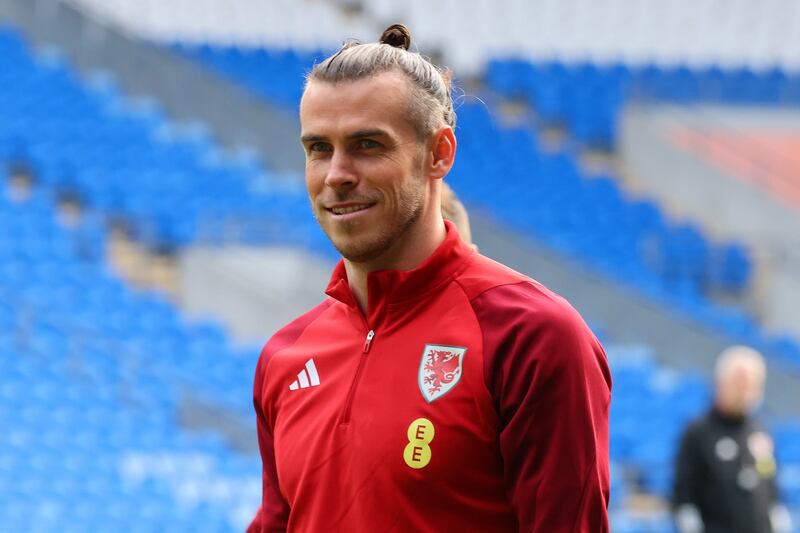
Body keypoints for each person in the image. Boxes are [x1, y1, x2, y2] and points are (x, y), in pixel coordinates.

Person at [249, 23, 611, 532]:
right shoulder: (284, 358)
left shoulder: (532, 336)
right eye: (318, 149)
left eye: (368, 144)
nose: (336, 174)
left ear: (439, 153)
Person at [672, 346, 792, 533]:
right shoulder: (698, 432)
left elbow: (770, 485)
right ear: (721, 382)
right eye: (740, 383)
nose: (746, 391)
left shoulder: (760, 430)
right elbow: (684, 498)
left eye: (753, 384)